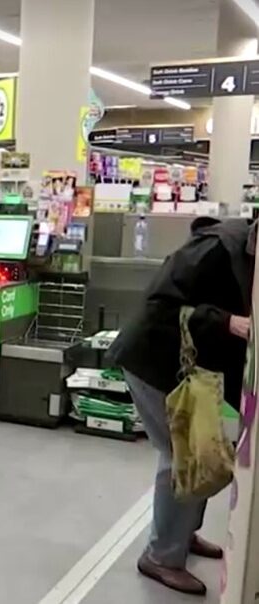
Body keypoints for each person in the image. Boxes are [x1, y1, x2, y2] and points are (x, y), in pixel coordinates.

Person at [109, 217, 256, 596]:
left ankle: (182, 533)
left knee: (204, 447)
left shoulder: (249, 254)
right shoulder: (214, 247)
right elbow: (161, 307)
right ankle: (160, 556)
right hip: (154, 362)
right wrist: (228, 322)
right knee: (183, 454)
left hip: (190, 368)